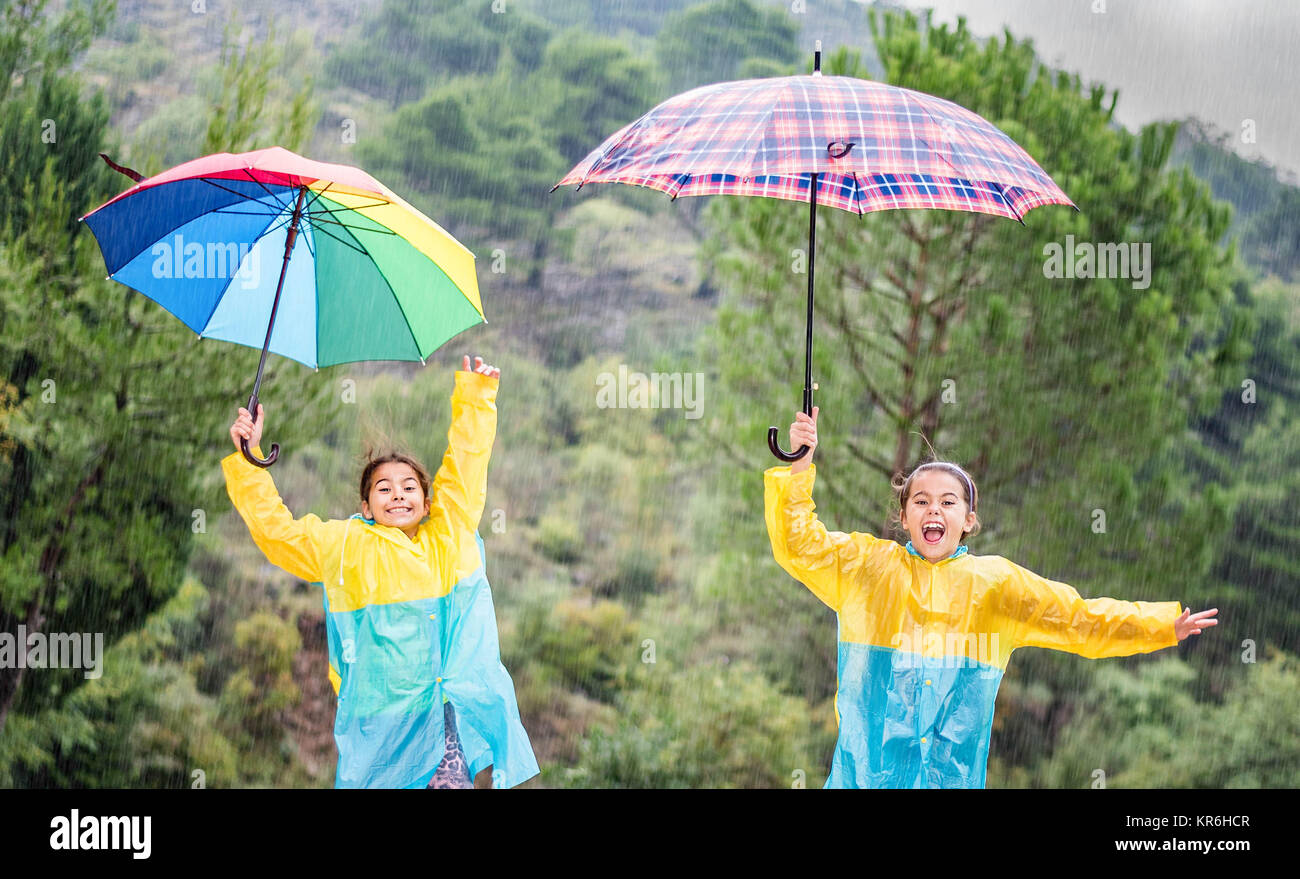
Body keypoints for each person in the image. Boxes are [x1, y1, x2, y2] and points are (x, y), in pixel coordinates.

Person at [764, 407, 1219, 789]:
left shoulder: (997, 586)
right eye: (920, 502)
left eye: (948, 502)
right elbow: (799, 544)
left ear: (969, 519)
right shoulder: (867, 569)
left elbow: (1080, 619)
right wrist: (801, 464)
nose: (934, 510)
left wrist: (1160, 625)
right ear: (903, 517)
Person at [223, 355, 538, 789]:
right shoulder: (345, 545)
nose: (399, 495)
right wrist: (247, 458)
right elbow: (278, 533)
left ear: (428, 504)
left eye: (410, 488)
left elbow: (465, 472)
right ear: (366, 507)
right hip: (378, 724)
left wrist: (475, 398)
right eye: (384, 489)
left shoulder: (446, 538)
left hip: (436, 717)